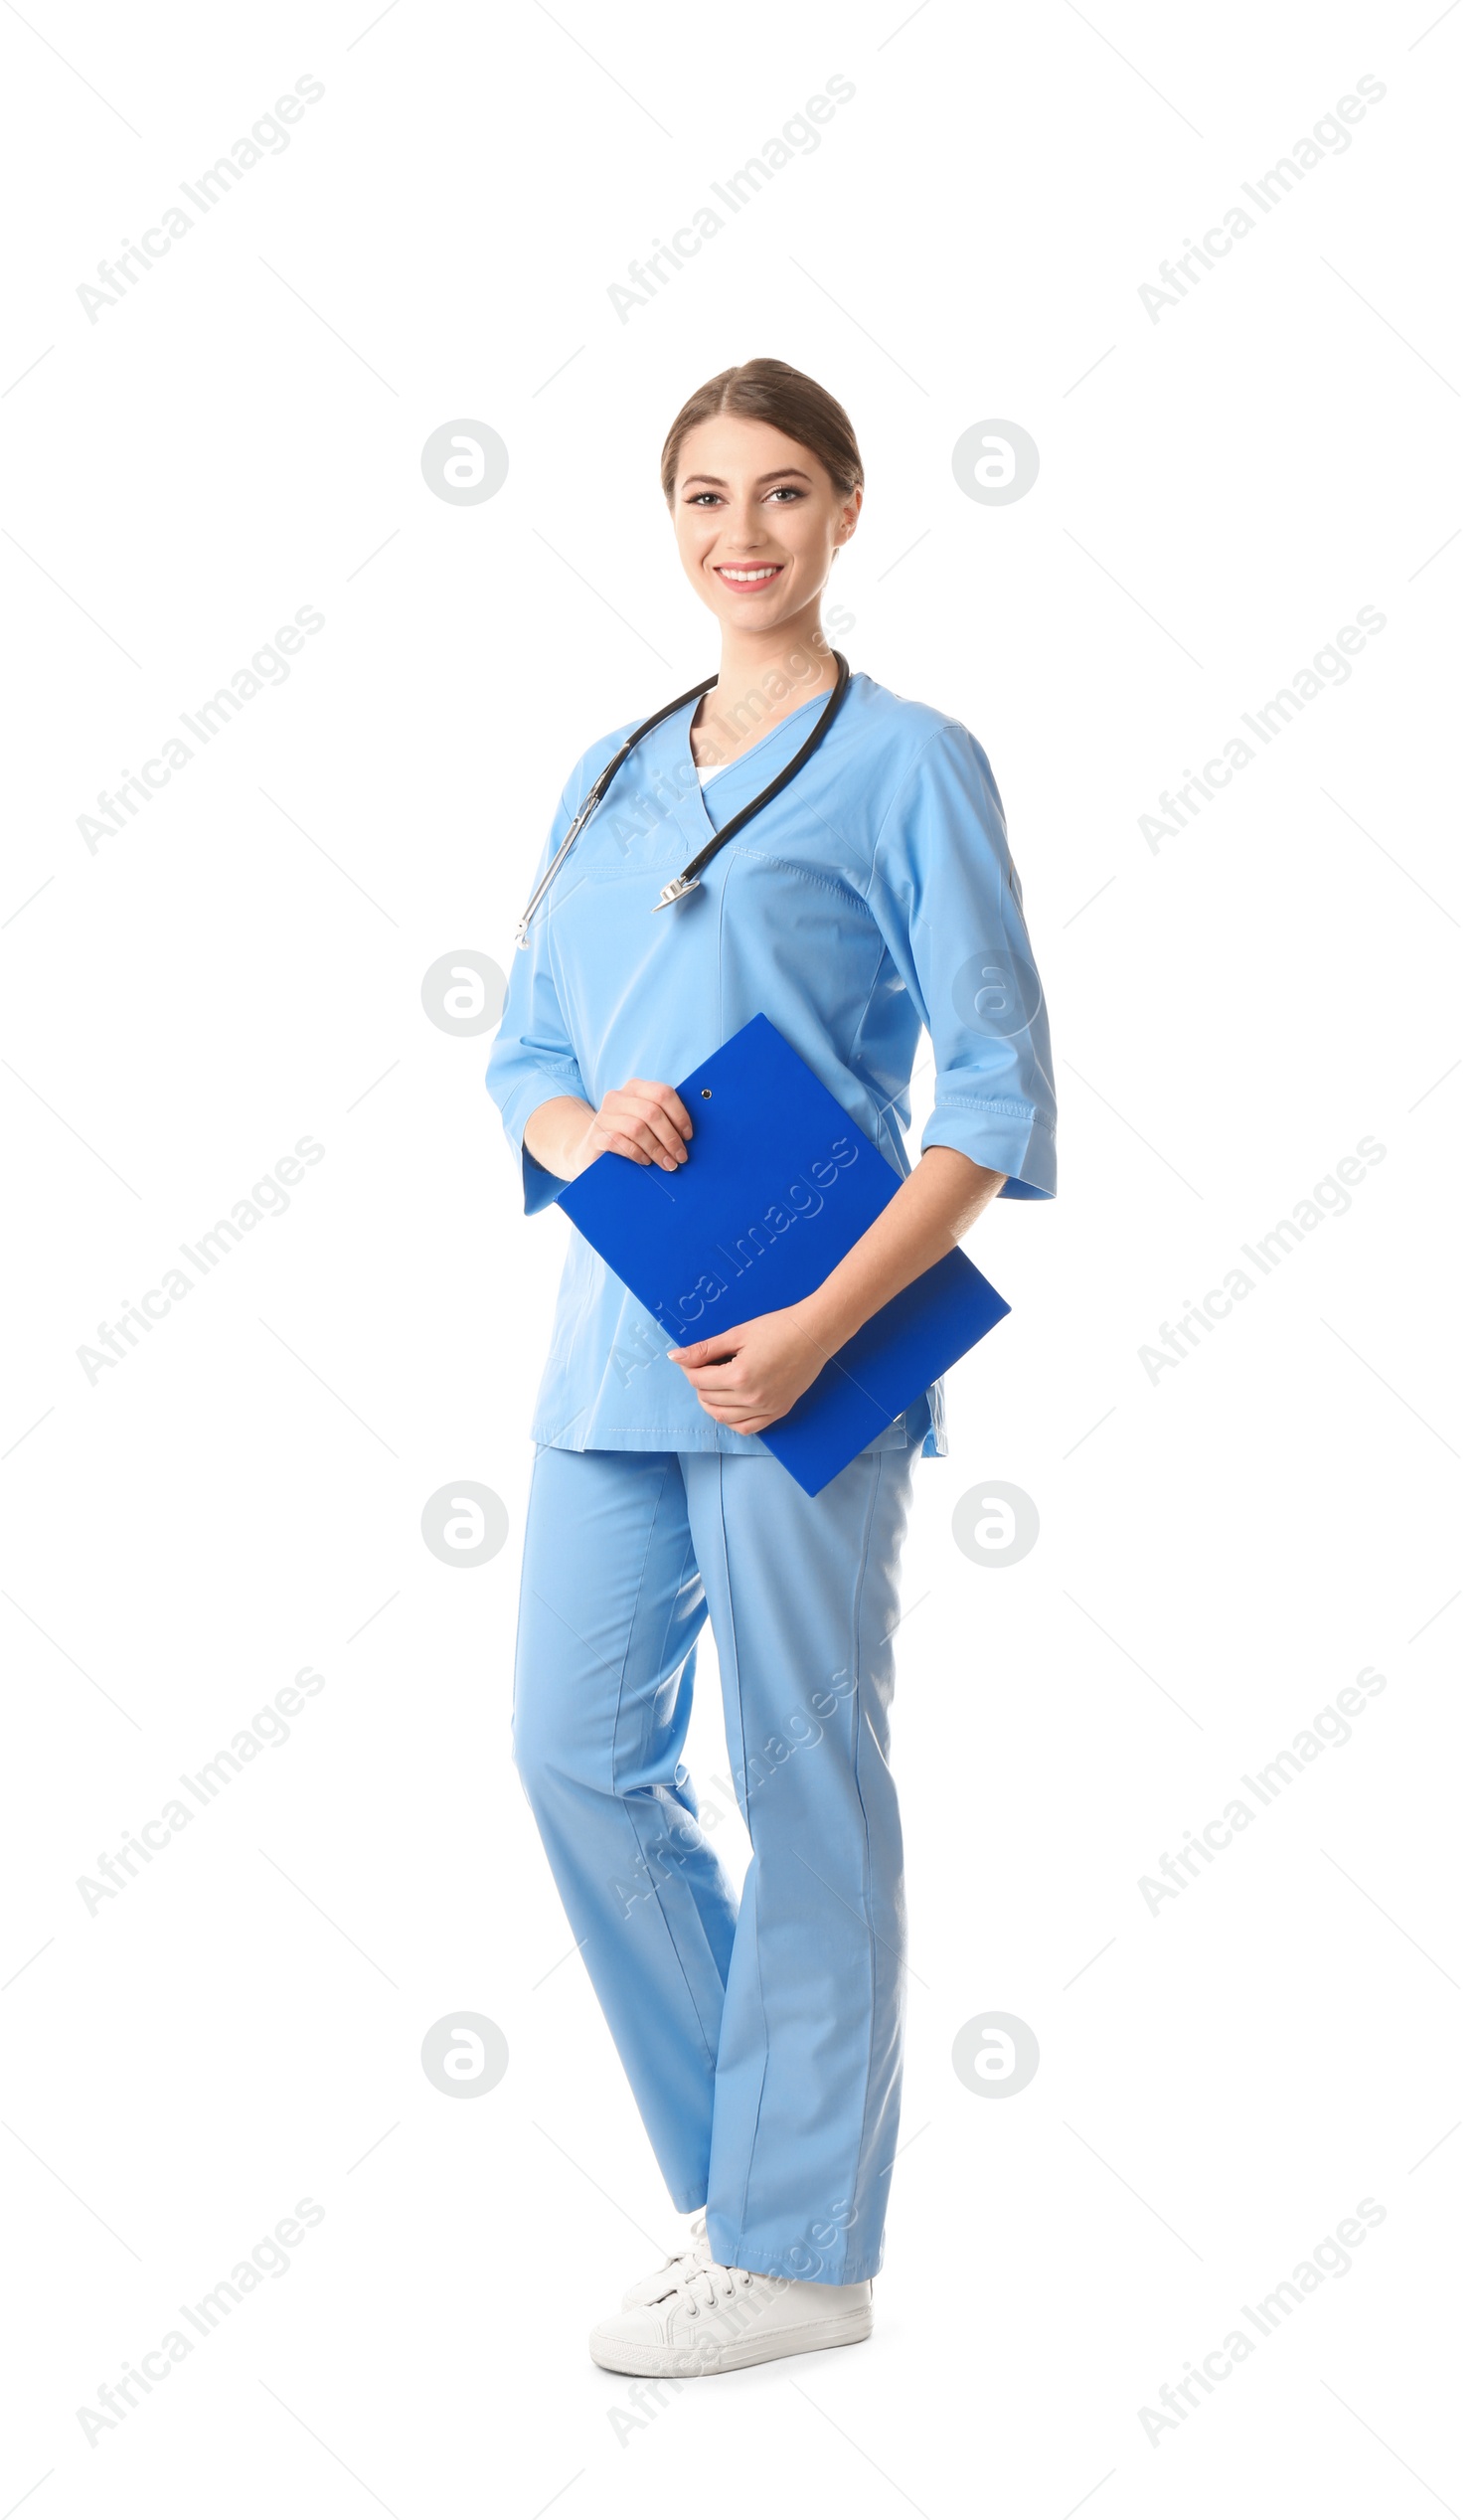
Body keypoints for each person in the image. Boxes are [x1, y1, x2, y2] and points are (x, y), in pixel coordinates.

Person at [485, 357, 1057, 2378]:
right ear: (668, 520)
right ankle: (749, 2194)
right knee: (573, 1751)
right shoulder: (607, 766)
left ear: (845, 512)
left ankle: (806, 2253)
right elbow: (522, 1052)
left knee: (802, 1773)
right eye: (706, 496)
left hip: (810, 1342)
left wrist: (820, 1322)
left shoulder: (910, 761)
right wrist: (576, 1127)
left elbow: (987, 1096)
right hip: (612, 1341)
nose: (744, 532)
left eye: (785, 492)